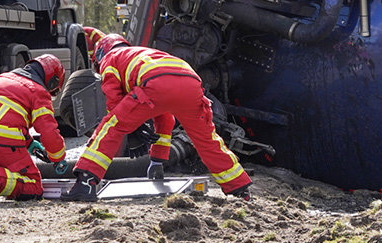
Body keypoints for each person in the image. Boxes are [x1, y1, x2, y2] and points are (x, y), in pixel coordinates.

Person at [61, 35, 252, 201]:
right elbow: (165, 119)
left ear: (101, 54)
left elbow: (114, 102)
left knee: (111, 126)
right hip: (192, 85)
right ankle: (239, 187)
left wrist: (132, 128)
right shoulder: (147, 53)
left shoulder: (111, 58)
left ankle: (85, 182)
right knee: (207, 140)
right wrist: (156, 162)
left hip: (155, 84)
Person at [0, 54, 69, 204]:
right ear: (51, 81)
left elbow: (1, 116)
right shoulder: (38, 91)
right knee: (34, 185)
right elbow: (49, 131)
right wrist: (57, 157)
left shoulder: (1, 79)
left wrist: (29, 143)